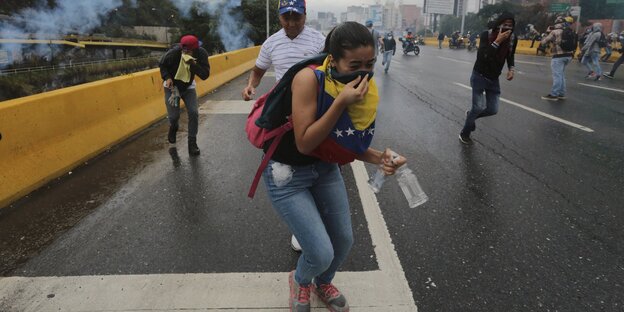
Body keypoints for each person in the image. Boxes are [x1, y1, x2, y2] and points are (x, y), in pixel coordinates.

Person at [263, 21, 407, 311]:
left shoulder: (356, 84)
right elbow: (305, 142)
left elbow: (344, 141)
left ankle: (322, 281)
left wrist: (380, 158)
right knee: (319, 251)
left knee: (342, 241)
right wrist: (340, 102)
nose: (363, 72)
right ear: (333, 59)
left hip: (325, 168)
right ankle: (301, 280)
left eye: (370, 64)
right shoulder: (308, 79)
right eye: (354, 64)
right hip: (287, 174)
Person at [241, 0, 325, 252]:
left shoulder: (318, 41)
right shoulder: (272, 43)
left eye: (296, 17)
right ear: (279, 17)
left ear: (305, 15)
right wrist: (251, 85)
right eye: (286, 17)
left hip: (313, 110)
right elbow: (258, 70)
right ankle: (301, 226)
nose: (291, 22)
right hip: (283, 113)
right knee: (289, 168)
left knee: (318, 163)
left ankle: (317, 218)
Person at [459, 12, 517, 144]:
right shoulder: (487, 35)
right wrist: (498, 41)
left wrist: (511, 69)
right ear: (499, 24)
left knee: (493, 109)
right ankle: (465, 133)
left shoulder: (513, 38)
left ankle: (470, 115)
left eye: (510, 25)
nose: (508, 28)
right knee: (478, 107)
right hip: (479, 75)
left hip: (494, 78)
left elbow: (510, 54)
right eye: (505, 25)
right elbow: (483, 56)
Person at [159, 34, 210, 155]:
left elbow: (205, 75)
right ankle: (173, 128)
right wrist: (167, 78)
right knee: (174, 116)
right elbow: (162, 65)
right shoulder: (174, 53)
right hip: (173, 88)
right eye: (184, 49)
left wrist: (193, 64)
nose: (185, 52)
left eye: (188, 50)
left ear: (195, 49)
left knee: (193, 112)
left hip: (188, 87)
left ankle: (192, 143)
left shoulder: (201, 54)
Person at [540, 16, 575, 101]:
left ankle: (554, 94)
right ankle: (561, 94)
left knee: (557, 76)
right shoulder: (568, 31)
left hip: (558, 57)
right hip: (568, 56)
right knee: (561, 75)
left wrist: (547, 32)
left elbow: (543, 42)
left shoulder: (554, 32)